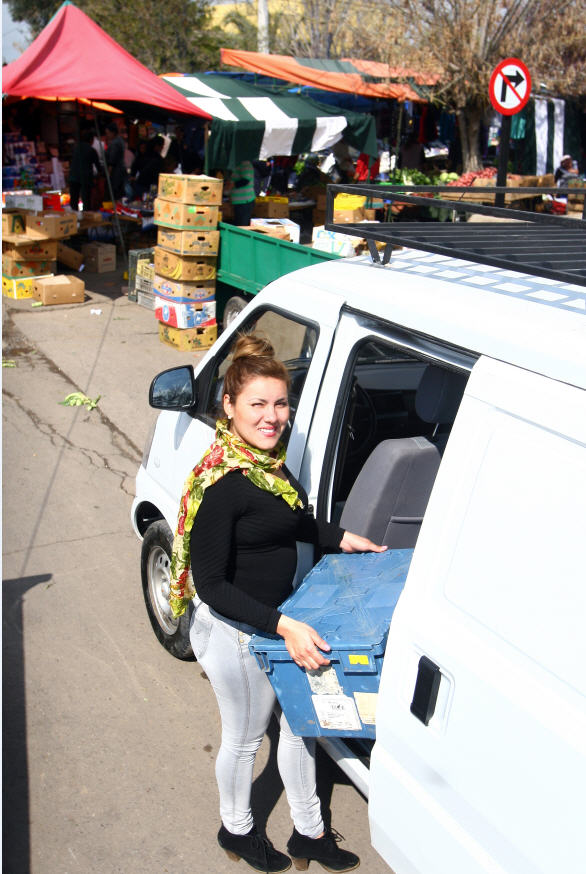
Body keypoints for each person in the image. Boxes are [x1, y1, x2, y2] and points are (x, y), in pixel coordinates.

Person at [170, 334, 386, 873]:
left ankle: (309, 833)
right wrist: (282, 624)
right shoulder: (223, 483)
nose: (273, 417)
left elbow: (291, 521)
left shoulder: (270, 465)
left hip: (280, 620)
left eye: (281, 403)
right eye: (258, 405)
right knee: (244, 740)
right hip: (239, 631)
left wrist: (341, 537)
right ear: (229, 407)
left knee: (301, 727)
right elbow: (212, 584)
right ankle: (236, 830)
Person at [68, 128, 100, 211]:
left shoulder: (76, 148)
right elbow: (98, 166)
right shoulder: (91, 150)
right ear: (91, 140)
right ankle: (86, 216)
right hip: (84, 178)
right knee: (86, 201)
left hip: (73, 177)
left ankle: (74, 216)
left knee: (74, 200)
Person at [228, 160, 256, 226]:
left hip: (245, 201)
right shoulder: (238, 165)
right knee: (238, 224)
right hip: (239, 202)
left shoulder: (246, 164)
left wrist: (232, 185)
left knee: (242, 225)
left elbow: (246, 180)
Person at [104, 122, 127, 200]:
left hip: (116, 172)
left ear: (113, 133)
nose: (107, 135)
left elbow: (112, 160)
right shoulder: (119, 140)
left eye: (108, 133)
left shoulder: (115, 143)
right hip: (119, 170)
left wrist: (109, 173)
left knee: (114, 192)